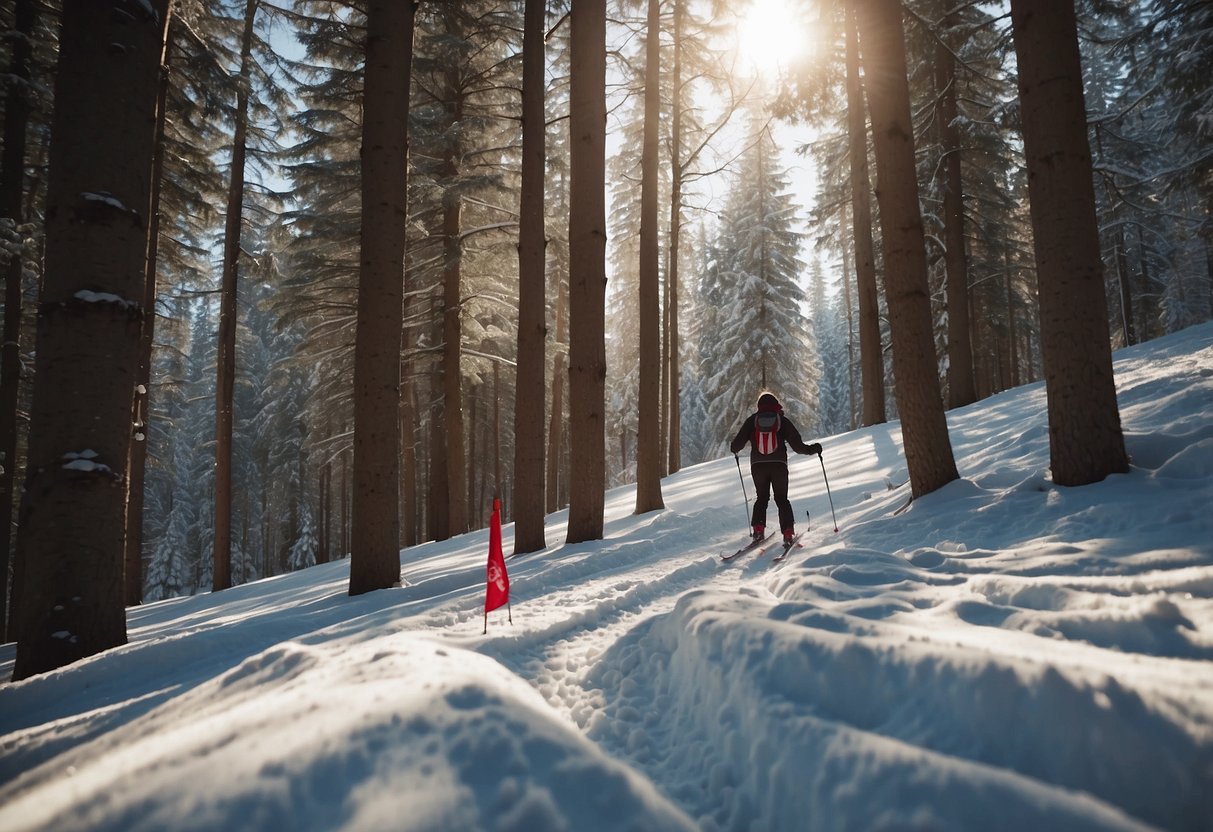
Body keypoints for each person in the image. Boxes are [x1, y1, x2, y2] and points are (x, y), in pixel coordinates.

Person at [730, 391, 822, 545]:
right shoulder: (782, 421)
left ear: (759, 406)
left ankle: (758, 530)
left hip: (758, 466)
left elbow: (737, 445)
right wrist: (814, 449)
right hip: (779, 465)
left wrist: (734, 448)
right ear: (775, 405)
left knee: (762, 498)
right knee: (781, 499)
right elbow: (798, 447)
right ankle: (787, 532)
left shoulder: (752, 421)